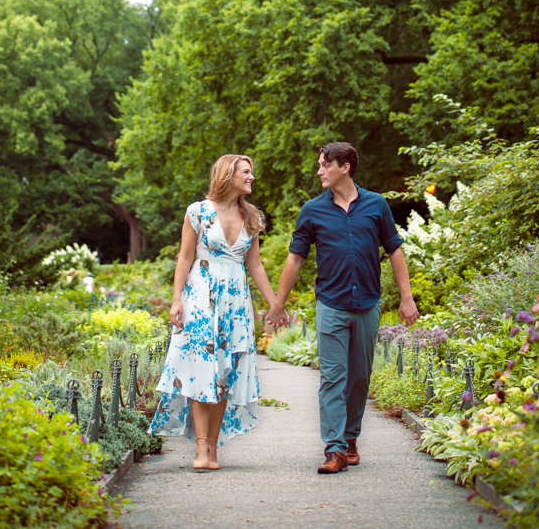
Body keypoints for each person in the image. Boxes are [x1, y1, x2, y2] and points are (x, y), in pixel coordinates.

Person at [266, 141, 418, 474]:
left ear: (345, 167)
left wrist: (406, 298)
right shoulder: (312, 210)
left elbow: (394, 251)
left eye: (325, 165)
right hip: (331, 304)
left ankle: (350, 439)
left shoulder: (376, 205)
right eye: (320, 164)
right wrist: (279, 304)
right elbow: (295, 258)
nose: (319, 171)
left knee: (359, 378)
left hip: (367, 303)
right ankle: (334, 449)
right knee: (333, 378)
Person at [150, 153, 285, 471]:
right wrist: (176, 299)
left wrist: (275, 304)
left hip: (235, 304)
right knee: (199, 368)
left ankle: (213, 448)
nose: (252, 177)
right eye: (246, 172)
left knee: (226, 372)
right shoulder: (198, 212)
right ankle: (200, 449)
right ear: (228, 175)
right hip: (200, 297)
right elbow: (185, 257)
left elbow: (255, 265)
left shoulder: (251, 216)